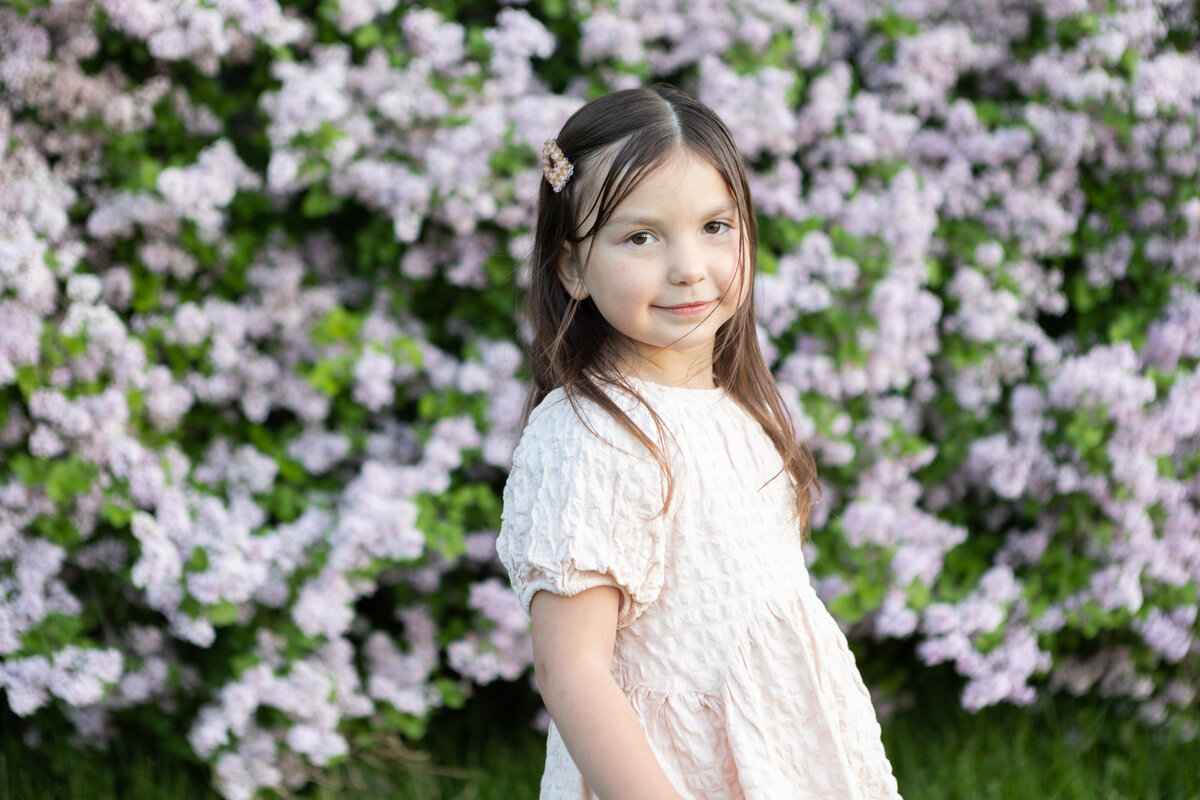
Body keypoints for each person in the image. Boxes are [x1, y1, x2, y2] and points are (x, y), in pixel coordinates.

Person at [496, 84, 902, 800]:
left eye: (715, 226)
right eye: (640, 237)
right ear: (571, 268)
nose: (688, 266)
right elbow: (573, 673)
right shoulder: (592, 435)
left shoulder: (737, 412)